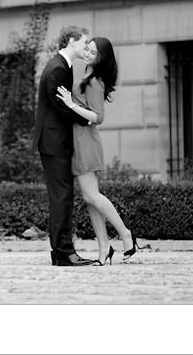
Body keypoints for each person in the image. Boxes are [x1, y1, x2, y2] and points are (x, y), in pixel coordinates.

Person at [55, 36, 142, 264]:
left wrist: (71, 104)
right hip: (79, 139)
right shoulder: (86, 76)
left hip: (86, 141)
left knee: (91, 195)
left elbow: (98, 117)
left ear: (102, 58)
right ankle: (104, 247)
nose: (88, 53)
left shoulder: (94, 81)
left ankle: (126, 234)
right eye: (88, 49)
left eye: (94, 52)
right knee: (90, 199)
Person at [33, 25, 94, 267]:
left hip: (55, 140)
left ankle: (60, 253)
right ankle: (64, 252)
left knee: (62, 196)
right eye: (84, 42)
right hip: (53, 141)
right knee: (61, 197)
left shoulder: (62, 66)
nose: (86, 47)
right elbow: (60, 107)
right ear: (71, 41)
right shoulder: (57, 67)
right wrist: (86, 117)